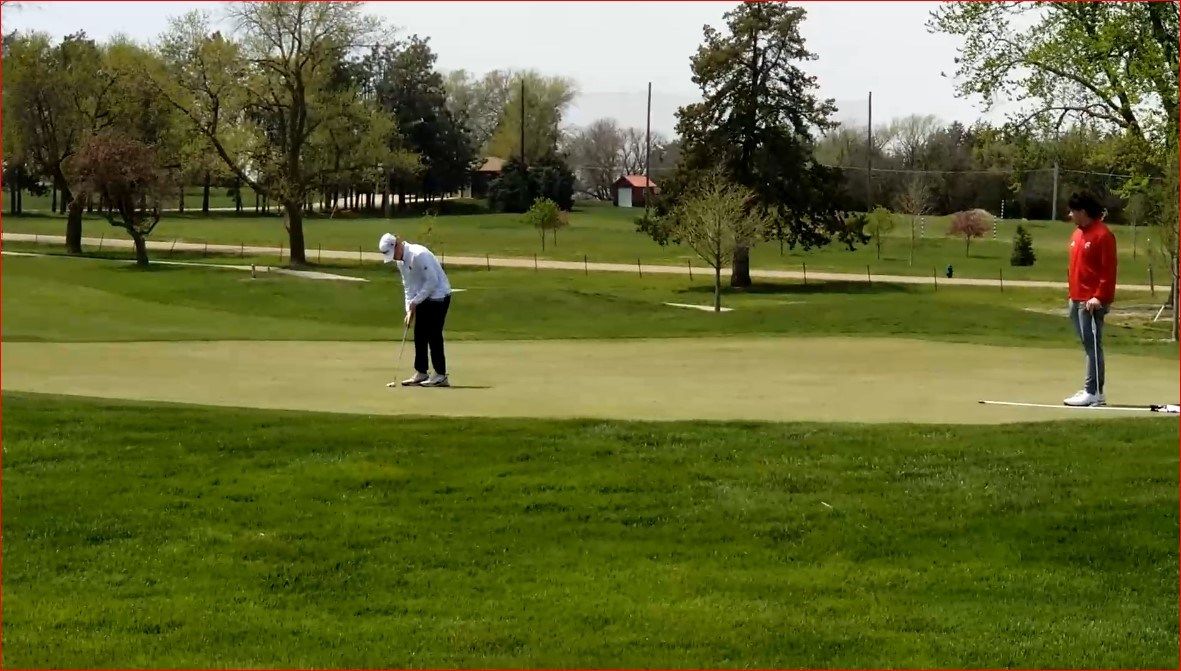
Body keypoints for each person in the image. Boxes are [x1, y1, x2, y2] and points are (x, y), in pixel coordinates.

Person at [378, 233, 453, 388]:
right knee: (419, 334)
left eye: (393, 255)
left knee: (434, 333)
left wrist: (415, 301)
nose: (394, 258)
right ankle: (421, 372)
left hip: (439, 294)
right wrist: (409, 309)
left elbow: (433, 281)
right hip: (423, 296)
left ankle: (440, 375)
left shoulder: (419, 255)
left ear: (397, 245)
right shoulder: (400, 262)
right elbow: (408, 286)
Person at [1063, 191, 1117, 407]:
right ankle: (1091, 388)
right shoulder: (1077, 234)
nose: (1070, 215)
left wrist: (1099, 296)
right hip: (1076, 298)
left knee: (1093, 345)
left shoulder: (1102, 235)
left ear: (1082, 212)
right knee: (1087, 345)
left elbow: (1108, 270)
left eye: (1073, 211)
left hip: (1092, 301)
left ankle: (1093, 391)